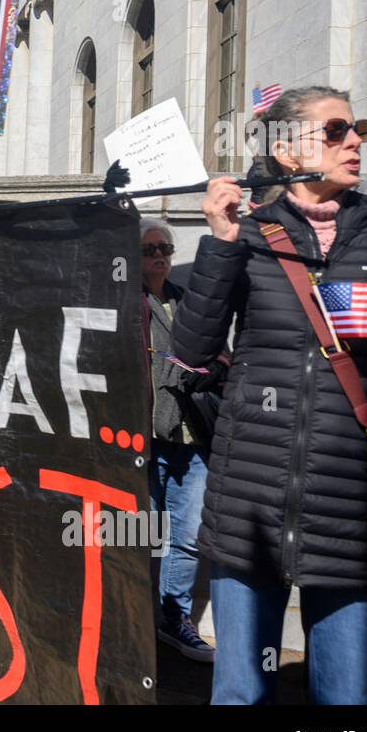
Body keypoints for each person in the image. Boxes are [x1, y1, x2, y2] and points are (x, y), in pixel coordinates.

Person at [170, 85, 367, 704]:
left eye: (355, 129)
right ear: (286, 151)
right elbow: (194, 354)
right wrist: (220, 242)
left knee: (348, 702)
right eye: (334, 132)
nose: (355, 141)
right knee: (240, 693)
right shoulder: (247, 237)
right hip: (247, 511)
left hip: (357, 516)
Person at [140, 217, 224, 663]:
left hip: (191, 438)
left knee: (187, 536)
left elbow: (210, 353)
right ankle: (133, 626)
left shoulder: (185, 300)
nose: (159, 255)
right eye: (149, 248)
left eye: (166, 248)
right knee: (139, 535)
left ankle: (176, 621)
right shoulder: (124, 304)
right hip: (145, 439)